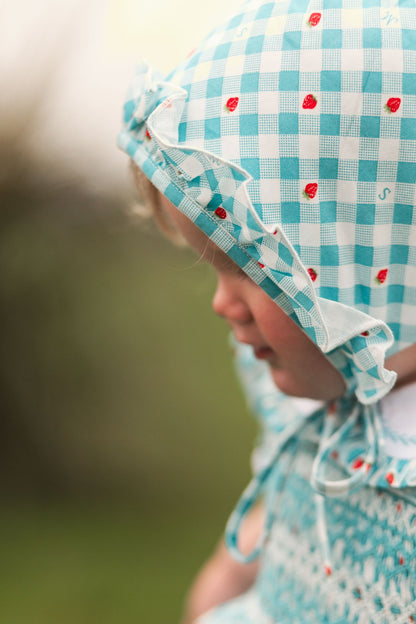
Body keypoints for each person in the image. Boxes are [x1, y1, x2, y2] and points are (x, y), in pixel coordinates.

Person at [118, 1, 416, 621]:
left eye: (248, 269)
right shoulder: (305, 407)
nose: (223, 303)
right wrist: (226, 581)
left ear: (375, 267)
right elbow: (280, 515)